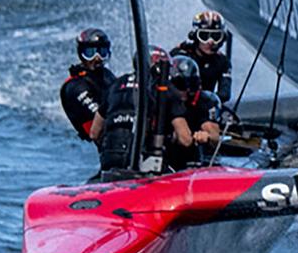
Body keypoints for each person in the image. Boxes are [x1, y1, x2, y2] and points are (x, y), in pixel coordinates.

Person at [96, 46, 175, 174]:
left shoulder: (115, 84)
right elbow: (184, 137)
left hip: (109, 156)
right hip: (139, 158)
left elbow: (94, 132)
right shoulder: (160, 88)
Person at [160, 54, 224, 170]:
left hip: (190, 158)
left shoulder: (204, 101)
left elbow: (214, 135)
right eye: (180, 85)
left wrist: (206, 136)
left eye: (191, 85)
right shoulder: (160, 99)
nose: (187, 90)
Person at [60, 28, 117, 144]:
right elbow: (99, 119)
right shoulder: (75, 87)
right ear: (81, 54)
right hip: (108, 143)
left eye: (102, 52)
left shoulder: (107, 75)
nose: (97, 58)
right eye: (90, 52)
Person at [171, 10, 233, 103]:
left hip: (204, 106)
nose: (210, 42)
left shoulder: (222, 61)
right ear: (195, 37)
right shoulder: (180, 53)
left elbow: (225, 93)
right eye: (204, 36)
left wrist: (207, 99)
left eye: (216, 36)